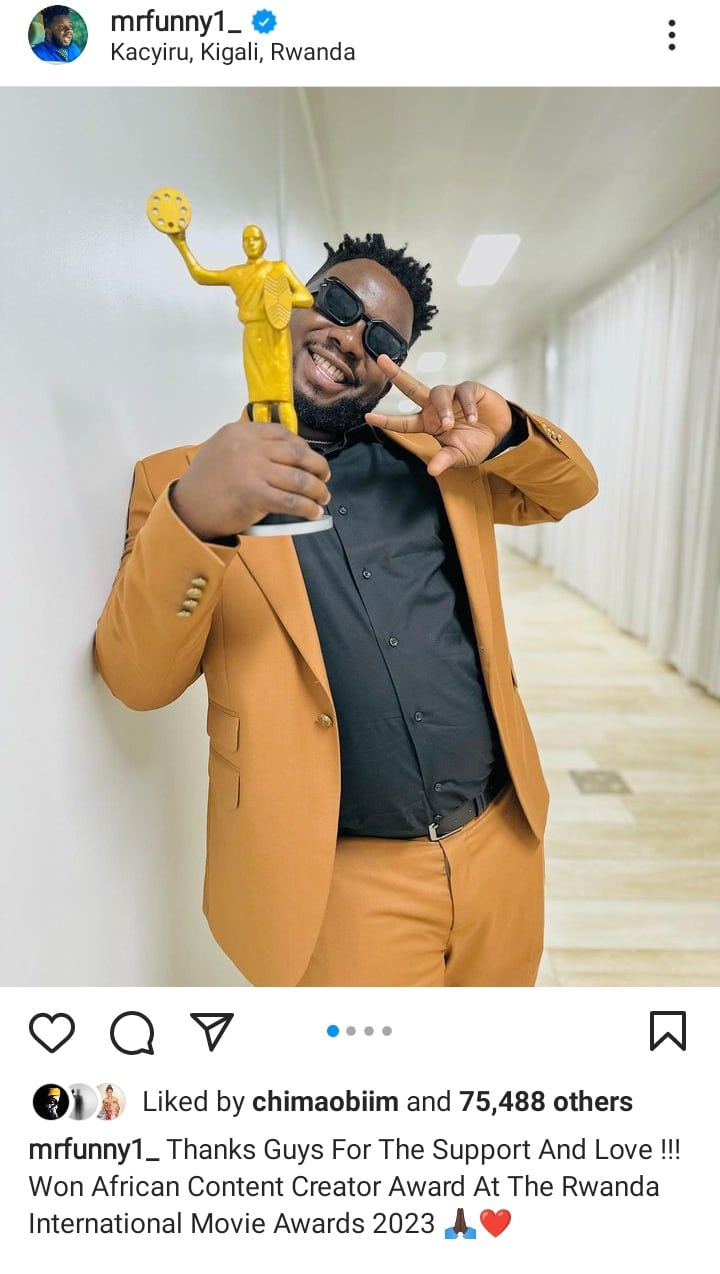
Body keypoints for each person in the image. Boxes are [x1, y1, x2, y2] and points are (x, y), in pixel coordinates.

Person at [95, 232, 598, 988]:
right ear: (292, 302)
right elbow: (138, 679)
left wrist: (506, 433)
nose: (352, 340)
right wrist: (197, 517)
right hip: (340, 884)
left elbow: (570, 490)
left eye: (384, 340)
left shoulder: (440, 464)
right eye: (336, 303)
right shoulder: (179, 483)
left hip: (502, 841)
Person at [171, 223, 314, 432]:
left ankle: (292, 445)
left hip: (276, 334)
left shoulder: (278, 268)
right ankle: (263, 445)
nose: (251, 243)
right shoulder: (237, 273)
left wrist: (279, 301)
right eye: (246, 239)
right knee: (260, 400)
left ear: (264, 243)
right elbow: (201, 275)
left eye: (255, 238)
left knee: (284, 399)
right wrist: (181, 244)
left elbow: (306, 297)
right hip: (253, 335)